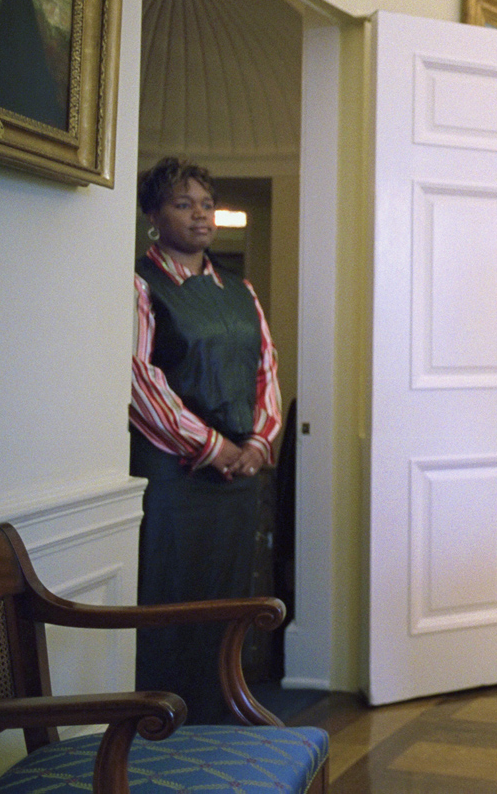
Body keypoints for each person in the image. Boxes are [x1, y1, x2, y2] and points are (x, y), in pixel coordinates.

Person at [129, 157, 282, 724]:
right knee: (169, 602)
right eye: (182, 203)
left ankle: (220, 716)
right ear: (154, 215)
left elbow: (265, 370)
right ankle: (158, 724)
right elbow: (138, 379)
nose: (199, 214)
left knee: (227, 603)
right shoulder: (140, 285)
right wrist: (213, 447)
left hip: (238, 480)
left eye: (206, 203)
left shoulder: (240, 290)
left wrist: (259, 445)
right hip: (174, 479)